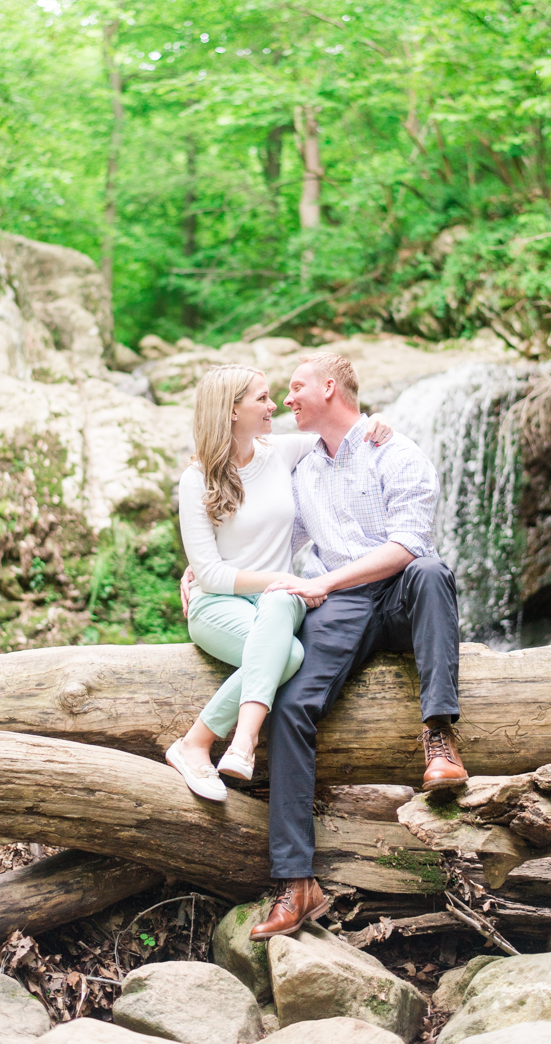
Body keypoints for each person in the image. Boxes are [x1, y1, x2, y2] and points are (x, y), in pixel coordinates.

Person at [240, 352, 467, 941]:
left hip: (397, 593)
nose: (287, 399)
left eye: (295, 387)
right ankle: (297, 882)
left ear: (331, 388)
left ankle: (440, 738)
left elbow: (410, 544)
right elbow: (266, 538)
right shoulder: (301, 467)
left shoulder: (397, 450)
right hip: (338, 603)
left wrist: (325, 581)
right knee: (290, 711)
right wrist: (206, 571)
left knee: (434, 572)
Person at [167, 363, 393, 802]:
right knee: (287, 654)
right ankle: (198, 743)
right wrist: (280, 577)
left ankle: (211, 743)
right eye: (262, 398)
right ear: (232, 411)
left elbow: (344, 431)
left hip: (279, 601)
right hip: (218, 604)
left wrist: (382, 422)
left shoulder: (283, 452)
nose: (275, 406)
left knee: (284, 628)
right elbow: (211, 575)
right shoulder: (196, 480)